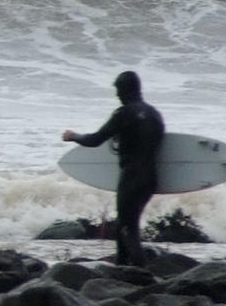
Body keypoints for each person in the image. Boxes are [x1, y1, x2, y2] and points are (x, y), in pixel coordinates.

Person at [62, 70, 165, 267]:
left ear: (125, 90)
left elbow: (95, 140)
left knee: (127, 227)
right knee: (125, 225)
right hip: (150, 179)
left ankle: (142, 272)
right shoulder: (155, 115)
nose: (116, 95)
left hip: (131, 178)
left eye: (118, 90)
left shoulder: (124, 113)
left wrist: (73, 136)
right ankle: (123, 265)